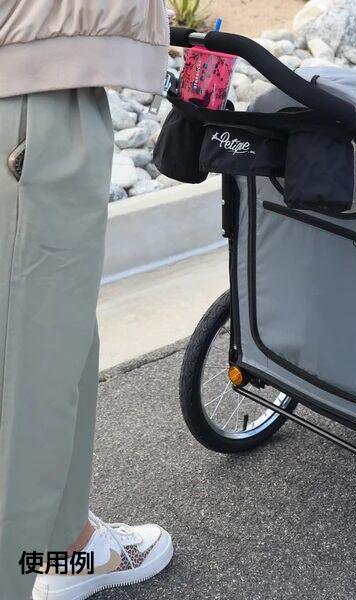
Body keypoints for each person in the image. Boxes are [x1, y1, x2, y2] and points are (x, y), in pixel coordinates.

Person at [0, 3, 174, 599]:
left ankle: (65, 549)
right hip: (26, 79)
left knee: (57, 338)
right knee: (29, 376)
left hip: (40, 64)